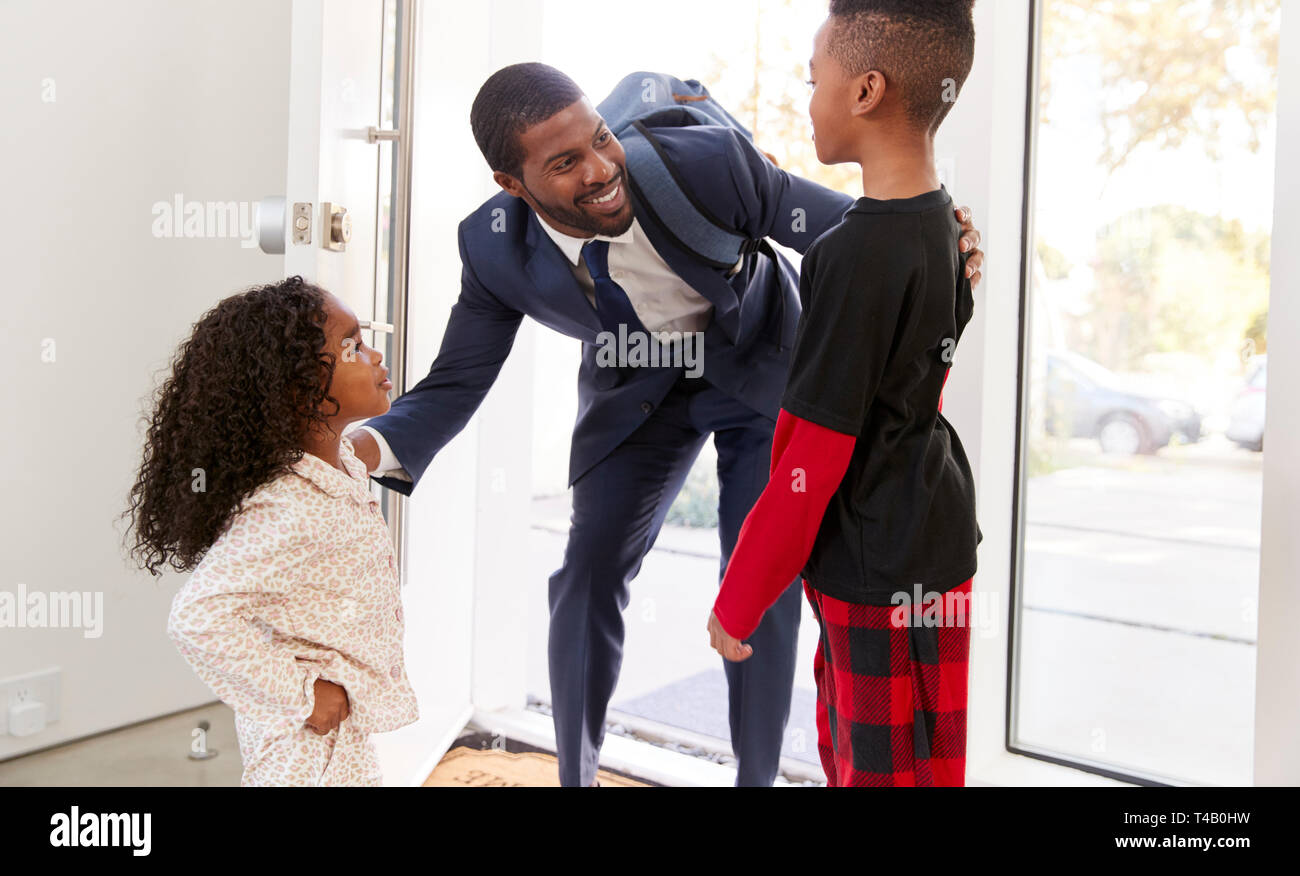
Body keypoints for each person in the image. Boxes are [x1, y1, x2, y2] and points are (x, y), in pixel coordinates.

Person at [348, 62, 985, 787]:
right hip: (635, 390)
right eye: (564, 163)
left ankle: (755, 779)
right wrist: (360, 446)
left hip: (756, 358)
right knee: (586, 572)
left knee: (758, 579)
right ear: (513, 186)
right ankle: (576, 778)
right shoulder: (495, 248)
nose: (599, 170)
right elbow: (456, 381)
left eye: (600, 140)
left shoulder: (705, 166)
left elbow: (846, 231)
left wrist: (939, 241)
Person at [707, 0, 984, 787]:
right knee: (933, 761)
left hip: (871, 562)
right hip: (938, 538)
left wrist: (740, 597)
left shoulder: (850, 254)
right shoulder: (946, 222)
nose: (809, 97)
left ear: (865, 90)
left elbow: (808, 458)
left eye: (814, 79)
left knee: (870, 768)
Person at [123, 276, 418, 786]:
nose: (373, 356)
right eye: (353, 346)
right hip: (305, 749)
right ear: (298, 384)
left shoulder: (337, 465)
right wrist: (301, 693)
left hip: (340, 737)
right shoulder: (287, 506)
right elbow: (198, 618)